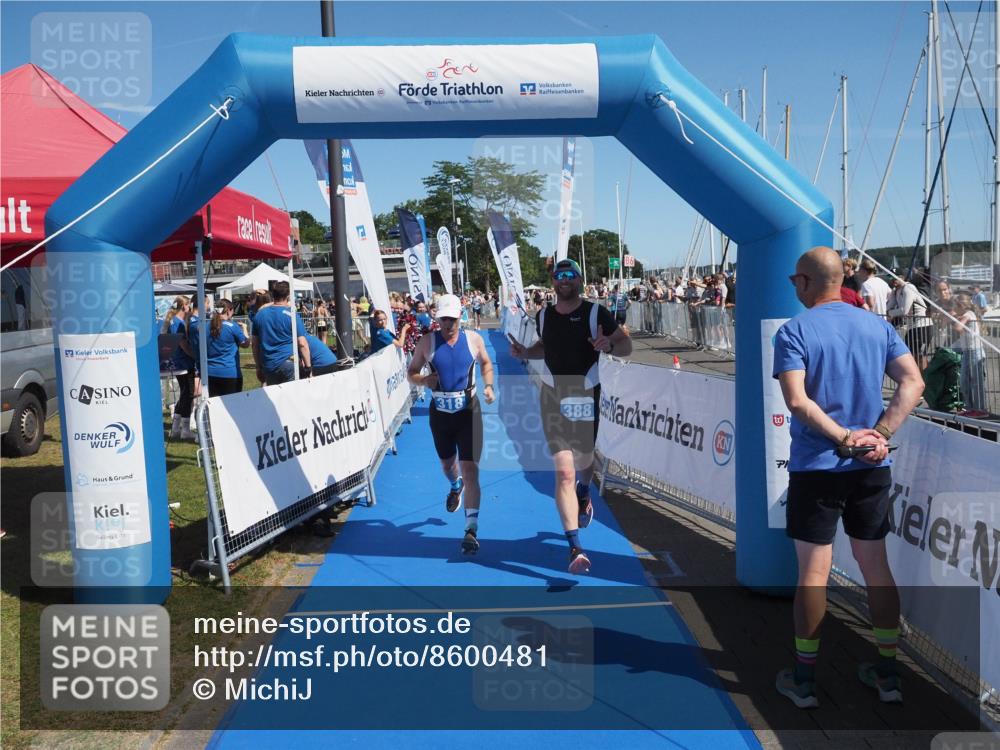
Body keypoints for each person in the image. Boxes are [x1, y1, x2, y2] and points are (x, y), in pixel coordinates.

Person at [773, 246, 923, 709]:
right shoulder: (876, 325)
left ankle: (804, 680)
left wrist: (845, 437)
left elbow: (797, 402)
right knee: (875, 567)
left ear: (804, 283)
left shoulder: (794, 330)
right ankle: (887, 674)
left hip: (819, 467)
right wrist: (877, 434)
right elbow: (913, 383)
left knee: (813, 574)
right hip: (871, 466)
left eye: (794, 281)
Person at [509, 259, 633, 574]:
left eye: (570, 275)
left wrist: (609, 345)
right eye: (559, 275)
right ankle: (575, 547)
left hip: (586, 393)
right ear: (552, 280)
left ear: (579, 279)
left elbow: (626, 345)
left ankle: (585, 490)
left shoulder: (595, 312)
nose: (564, 280)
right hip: (552, 395)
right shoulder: (544, 315)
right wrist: (526, 353)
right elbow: (544, 347)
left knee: (584, 462)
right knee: (563, 473)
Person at [407, 294, 496, 554]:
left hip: (469, 410)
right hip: (441, 413)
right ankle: (454, 486)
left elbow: (487, 363)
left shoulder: (474, 340)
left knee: (471, 469)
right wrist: (423, 381)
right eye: (443, 319)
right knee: (448, 465)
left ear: (461, 316)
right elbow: (411, 372)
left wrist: (488, 386)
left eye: (452, 319)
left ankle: (471, 529)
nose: (447, 324)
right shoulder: (427, 342)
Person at [251, 281, 310, 385]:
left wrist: (258, 366)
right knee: (291, 398)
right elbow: (302, 343)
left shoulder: (259, 315)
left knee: (274, 398)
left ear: (273, 295)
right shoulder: (291, 314)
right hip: (289, 363)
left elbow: (255, 345)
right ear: (288, 296)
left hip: (269, 365)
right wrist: (308, 366)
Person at [191, 299, 250, 397]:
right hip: (229, 373)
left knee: (214, 406)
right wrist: (244, 329)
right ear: (228, 311)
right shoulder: (232, 326)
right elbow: (246, 344)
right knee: (232, 406)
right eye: (233, 310)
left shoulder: (204, 327)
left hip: (210, 373)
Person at [161, 296, 197, 440]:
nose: (190, 308)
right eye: (188, 305)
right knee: (187, 394)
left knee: (184, 393)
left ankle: (176, 428)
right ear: (184, 306)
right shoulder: (177, 322)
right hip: (183, 363)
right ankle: (185, 429)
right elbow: (183, 344)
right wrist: (196, 356)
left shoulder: (174, 320)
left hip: (180, 362)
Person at [886, 275, 932, 371]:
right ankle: (917, 378)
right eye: (890, 278)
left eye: (895, 277)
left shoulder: (909, 288)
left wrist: (890, 313)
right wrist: (888, 310)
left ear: (902, 277)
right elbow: (888, 307)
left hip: (923, 326)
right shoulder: (896, 291)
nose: (892, 280)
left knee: (920, 356)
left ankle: (926, 380)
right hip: (912, 327)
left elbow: (904, 310)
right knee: (909, 355)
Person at [952, 294, 987, 415]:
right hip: (968, 351)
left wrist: (955, 318)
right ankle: (970, 407)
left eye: (954, 306)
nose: (953, 308)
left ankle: (980, 409)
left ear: (960, 306)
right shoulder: (965, 315)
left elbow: (958, 327)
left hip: (975, 351)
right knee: (964, 381)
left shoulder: (968, 314)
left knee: (976, 383)